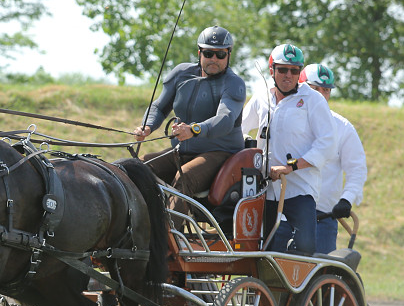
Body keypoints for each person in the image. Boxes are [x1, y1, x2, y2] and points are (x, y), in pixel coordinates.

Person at [240, 45, 337, 255]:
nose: (289, 75)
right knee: (259, 249)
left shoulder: (313, 100)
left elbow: (328, 144)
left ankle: (295, 283)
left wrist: (290, 167)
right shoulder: (261, 97)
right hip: (263, 188)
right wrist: (248, 149)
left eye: (295, 70)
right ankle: (262, 287)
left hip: (300, 189)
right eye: (283, 69)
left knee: (305, 247)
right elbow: (238, 129)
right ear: (271, 70)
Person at [133, 26, 247, 200]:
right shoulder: (181, 74)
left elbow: (225, 119)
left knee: (184, 176)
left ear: (229, 55)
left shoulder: (233, 83)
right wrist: (147, 126)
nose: (214, 59)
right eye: (208, 54)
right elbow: (159, 107)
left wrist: (194, 130)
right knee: (136, 168)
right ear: (199, 53)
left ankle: (167, 228)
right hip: (181, 152)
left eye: (220, 55)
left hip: (220, 154)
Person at [299, 63, 367, 253]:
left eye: (326, 90)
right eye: (314, 89)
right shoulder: (285, 119)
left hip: (323, 217)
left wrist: (346, 199)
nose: (321, 95)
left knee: (321, 277)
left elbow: (357, 169)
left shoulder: (343, 127)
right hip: (284, 215)